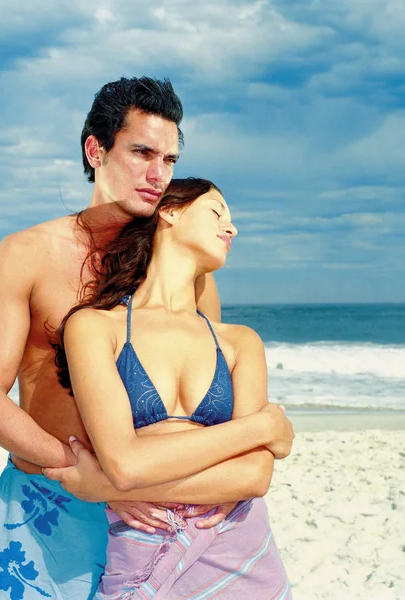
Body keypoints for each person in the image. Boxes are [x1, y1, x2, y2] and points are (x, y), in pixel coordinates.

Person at [0, 77, 233, 600]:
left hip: (153, 515)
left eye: (170, 160)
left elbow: (212, 398)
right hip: (49, 502)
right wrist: (88, 477)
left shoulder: (188, 272)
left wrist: (214, 485)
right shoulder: (26, 253)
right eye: (142, 152)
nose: (158, 175)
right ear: (96, 149)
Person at [47, 177, 294, 599]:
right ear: (170, 211)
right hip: (142, 552)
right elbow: (123, 462)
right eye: (217, 212)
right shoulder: (93, 327)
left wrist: (104, 487)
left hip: (240, 554)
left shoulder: (239, 342)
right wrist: (261, 428)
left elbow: (254, 476)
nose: (231, 229)